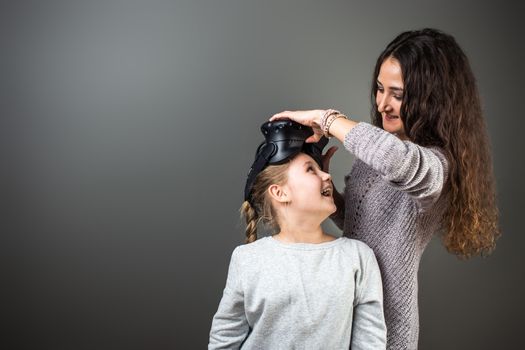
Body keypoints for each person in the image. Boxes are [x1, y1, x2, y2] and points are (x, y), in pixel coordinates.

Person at [270, 28, 500, 350]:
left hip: (388, 323)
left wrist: (327, 119)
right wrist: (327, 191)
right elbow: (359, 220)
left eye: (398, 94)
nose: (382, 104)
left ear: (431, 98)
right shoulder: (381, 148)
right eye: (379, 89)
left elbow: (398, 162)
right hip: (348, 307)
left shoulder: (439, 166)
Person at [209, 120, 387, 349]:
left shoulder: (358, 257)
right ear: (279, 192)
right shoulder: (247, 259)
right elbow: (224, 340)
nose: (327, 176)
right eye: (311, 169)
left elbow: (370, 342)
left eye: (321, 169)